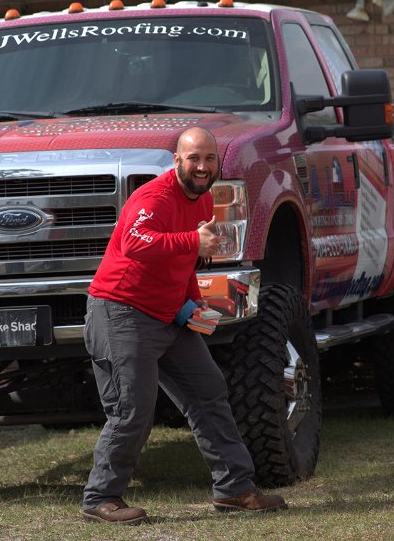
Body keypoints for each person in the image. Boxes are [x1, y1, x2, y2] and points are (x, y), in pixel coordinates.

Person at [82, 126, 287, 525]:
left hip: (167, 314)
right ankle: (101, 498)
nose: (202, 166)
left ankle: (235, 490)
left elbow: (183, 265)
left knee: (209, 392)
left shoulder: (203, 199)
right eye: (194, 158)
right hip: (121, 312)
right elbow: (134, 243)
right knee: (132, 410)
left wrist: (194, 306)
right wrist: (192, 241)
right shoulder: (153, 197)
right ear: (177, 160)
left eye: (210, 158)